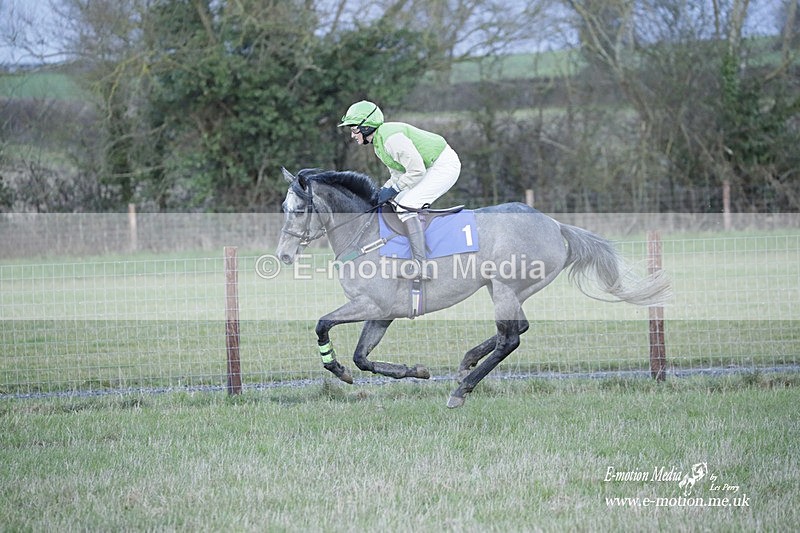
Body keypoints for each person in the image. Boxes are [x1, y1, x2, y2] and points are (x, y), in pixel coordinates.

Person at [338, 100, 461, 279]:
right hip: (429, 167)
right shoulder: (379, 143)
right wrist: (382, 192)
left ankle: (422, 265)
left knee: (406, 205)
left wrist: (394, 188)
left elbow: (416, 170)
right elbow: (398, 174)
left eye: (354, 128)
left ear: (366, 127)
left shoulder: (390, 138)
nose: (352, 134)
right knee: (396, 202)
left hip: (443, 165)